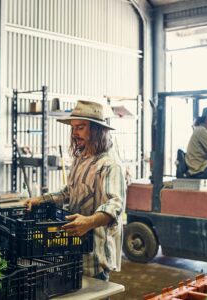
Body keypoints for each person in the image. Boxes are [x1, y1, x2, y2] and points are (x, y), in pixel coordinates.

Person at [24, 100, 126, 281]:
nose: (74, 133)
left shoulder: (110, 164)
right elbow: (68, 192)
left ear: (96, 130)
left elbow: (115, 205)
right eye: (73, 128)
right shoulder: (81, 156)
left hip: (95, 258)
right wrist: (41, 199)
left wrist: (89, 221)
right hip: (73, 251)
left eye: (80, 127)